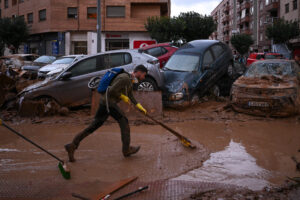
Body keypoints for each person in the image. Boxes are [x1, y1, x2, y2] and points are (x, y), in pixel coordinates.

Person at [65, 65, 148, 162]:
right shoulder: (125, 78)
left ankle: (72, 145)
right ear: (139, 72)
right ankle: (126, 150)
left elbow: (130, 95)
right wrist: (121, 96)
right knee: (124, 121)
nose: (144, 77)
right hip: (109, 103)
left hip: (104, 103)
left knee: (94, 125)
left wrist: (138, 105)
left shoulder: (130, 80)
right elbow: (112, 90)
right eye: (144, 75)